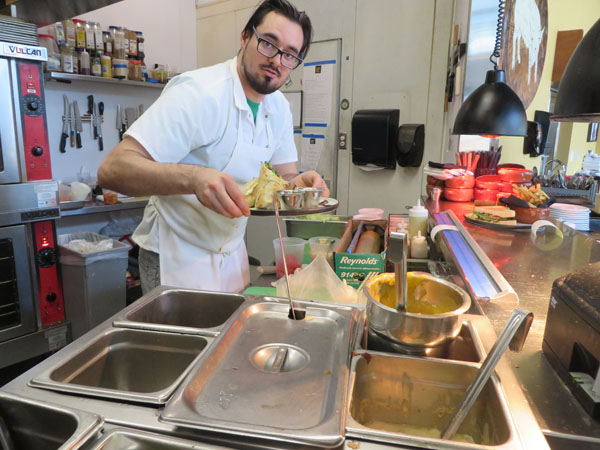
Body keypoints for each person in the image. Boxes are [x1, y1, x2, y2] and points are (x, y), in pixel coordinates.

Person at [97, 0, 328, 294]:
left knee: (232, 338)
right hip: (176, 256)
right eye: (268, 44)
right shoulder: (199, 93)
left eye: (289, 55)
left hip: (232, 254)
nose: (276, 61)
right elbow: (112, 170)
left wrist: (300, 184)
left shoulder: (279, 107)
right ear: (245, 36)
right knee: (183, 340)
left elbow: (286, 177)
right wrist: (194, 179)